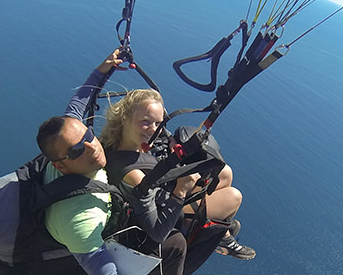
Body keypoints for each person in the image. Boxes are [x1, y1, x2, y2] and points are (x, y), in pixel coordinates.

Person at [30, 50, 193, 275]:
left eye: (88, 136)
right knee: (178, 238)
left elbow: (79, 103)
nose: (92, 147)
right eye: (79, 150)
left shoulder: (71, 137)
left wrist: (103, 70)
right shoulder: (79, 218)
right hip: (109, 255)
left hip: (110, 208)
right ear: (60, 165)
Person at [100, 87, 256, 259]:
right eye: (145, 121)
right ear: (125, 117)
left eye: (158, 123)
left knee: (224, 173)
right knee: (233, 197)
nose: (153, 129)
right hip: (166, 209)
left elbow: (161, 137)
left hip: (162, 189)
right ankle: (197, 231)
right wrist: (180, 190)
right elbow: (157, 232)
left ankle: (221, 232)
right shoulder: (133, 173)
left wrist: (171, 142)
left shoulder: (125, 140)